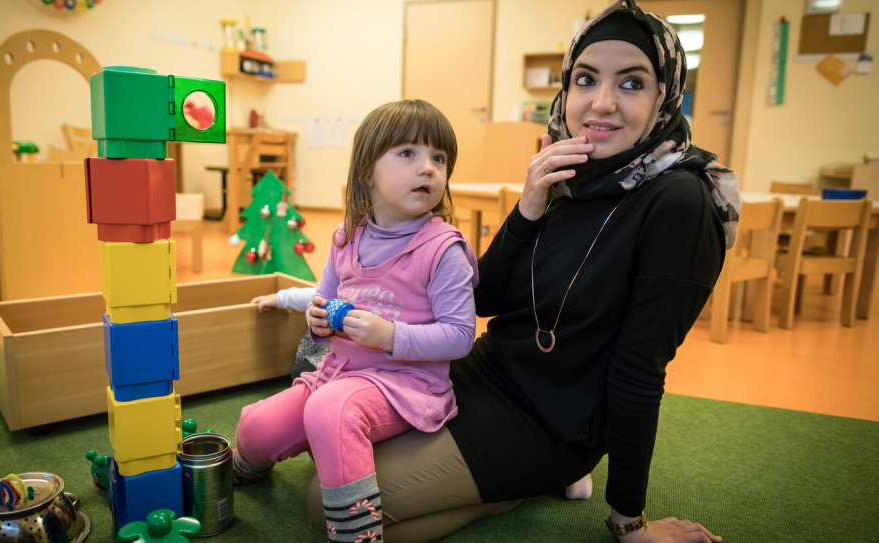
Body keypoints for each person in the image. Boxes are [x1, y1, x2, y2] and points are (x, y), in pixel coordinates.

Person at [304, 1, 740, 541]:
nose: (601, 103)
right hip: (485, 375)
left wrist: (630, 522)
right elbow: (481, 300)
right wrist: (530, 203)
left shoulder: (678, 201)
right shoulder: (573, 172)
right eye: (586, 79)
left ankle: (519, 487)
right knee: (334, 456)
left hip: (551, 424)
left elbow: (639, 370)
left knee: (331, 504)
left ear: (663, 97)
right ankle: (505, 484)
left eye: (631, 83)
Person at [233, 99, 480, 543]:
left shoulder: (444, 250)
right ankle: (236, 470)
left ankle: (358, 535)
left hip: (406, 387)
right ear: (367, 173)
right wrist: (317, 318)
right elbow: (326, 297)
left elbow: (462, 335)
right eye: (408, 153)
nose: (427, 168)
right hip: (336, 374)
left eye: (438, 158)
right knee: (256, 428)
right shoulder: (349, 235)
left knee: (331, 411)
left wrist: (391, 336)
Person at [251, 287, 326, 380]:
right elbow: (319, 294)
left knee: (304, 372)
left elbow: (319, 296)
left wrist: (280, 299)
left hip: (340, 349)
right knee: (302, 371)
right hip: (328, 341)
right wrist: (279, 299)